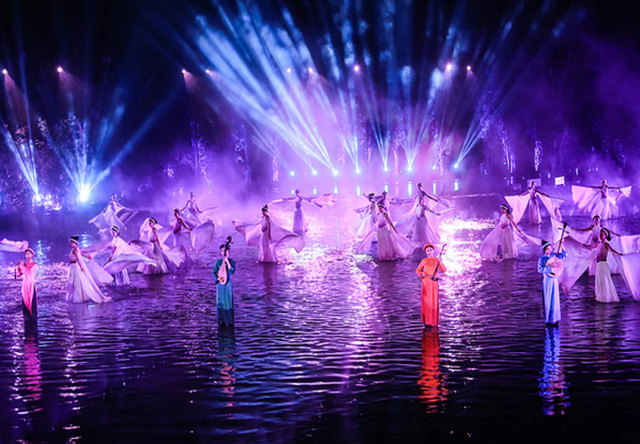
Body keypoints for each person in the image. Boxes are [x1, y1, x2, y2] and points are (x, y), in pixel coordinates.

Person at [233, 205, 304, 263]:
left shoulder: (267, 218)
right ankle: (263, 258)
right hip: (263, 234)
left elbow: (269, 226)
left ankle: (268, 258)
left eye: (264, 211)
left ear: (266, 212)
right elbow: (261, 225)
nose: (263, 213)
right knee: (263, 245)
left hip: (266, 234)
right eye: (262, 212)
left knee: (266, 245)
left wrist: (269, 234)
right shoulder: (263, 217)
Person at [66, 236, 112, 303]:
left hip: (75, 267)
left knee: (76, 281)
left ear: (74, 243)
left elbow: (78, 259)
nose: (69, 243)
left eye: (70, 242)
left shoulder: (75, 250)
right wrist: (87, 256)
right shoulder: (76, 249)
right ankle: (78, 296)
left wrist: (81, 267)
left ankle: (78, 297)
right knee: (75, 281)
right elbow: (81, 253)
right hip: (73, 266)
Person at [586, 228, 623, 303]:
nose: (600, 235)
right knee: (600, 281)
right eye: (600, 234)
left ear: (605, 235)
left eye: (602, 234)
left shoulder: (606, 244)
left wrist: (619, 254)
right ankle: (601, 297)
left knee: (605, 280)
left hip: (603, 264)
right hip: (598, 265)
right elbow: (589, 247)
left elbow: (612, 251)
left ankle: (607, 297)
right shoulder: (598, 244)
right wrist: (581, 244)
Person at [415, 244, 446, 327]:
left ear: (433, 251)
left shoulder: (437, 260)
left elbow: (443, 270)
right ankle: (427, 321)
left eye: (430, 250)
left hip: (434, 283)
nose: (429, 252)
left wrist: (441, 261)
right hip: (426, 282)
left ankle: (433, 321)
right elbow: (417, 270)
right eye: (427, 251)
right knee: (427, 302)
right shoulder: (424, 260)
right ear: (426, 252)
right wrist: (422, 274)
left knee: (433, 302)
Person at [537, 241, 566, 326]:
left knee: (555, 299)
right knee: (548, 298)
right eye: (547, 249)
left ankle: (556, 318)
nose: (549, 251)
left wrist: (561, 244)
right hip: (547, 281)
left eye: (550, 249)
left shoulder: (554, 256)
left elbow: (564, 254)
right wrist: (550, 267)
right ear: (544, 249)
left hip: (554, 280)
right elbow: (539, 269)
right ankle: (549, 319)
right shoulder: (542, 258)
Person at [212, 242, 236, 326]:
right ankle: (221, 320)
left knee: (228, 301)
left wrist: (227, 262)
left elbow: (232, 271)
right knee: (220, 301)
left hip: (228, 284)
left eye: (225, 251)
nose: (223, 252)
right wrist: (218, 279)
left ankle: (229, 320)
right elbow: (214, 272)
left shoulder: (231, 262)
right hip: (220, 285)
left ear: (228, 251)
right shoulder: (218, 262)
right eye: (222, 251)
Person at [16, 248, 37, 318]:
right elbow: (19, 275)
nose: (27, 256)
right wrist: (18, 267)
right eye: (26, 254)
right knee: (25, 301)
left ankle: (32, 317)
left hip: (31, 284)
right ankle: (26, 317)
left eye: (29, 254)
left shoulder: (34, 264)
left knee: (31, 301)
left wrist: (22, 266)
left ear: (32, 255)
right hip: (24, 284)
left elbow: (29, 272)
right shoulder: (24, 264)